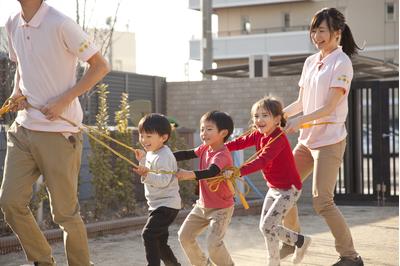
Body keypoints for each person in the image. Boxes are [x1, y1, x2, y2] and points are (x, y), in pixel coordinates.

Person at [0, 0, 110, 265]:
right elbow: (22, 68)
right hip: (23, 128)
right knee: (10, 202)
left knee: (64, 214)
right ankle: (43, 261)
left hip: (60, 133)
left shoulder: (61, 24)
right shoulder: (12, 23)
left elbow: (100, 66)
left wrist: (64, 99)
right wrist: (17, 92)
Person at [281, 7, 363, 266]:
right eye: (313, 30)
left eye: (322, 30)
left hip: (330, 141)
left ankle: (350, 257)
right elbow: (302, 102)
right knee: (284, 188)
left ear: (337, 33)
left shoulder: (342, 63)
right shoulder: (310, 62)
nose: (316, 35)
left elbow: (328, 106)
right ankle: (291, 239)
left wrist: (296, 122)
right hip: (307, 140)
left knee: (322, 201)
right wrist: (276, 118)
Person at [224, 97, 311, 266]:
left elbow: (262, 160)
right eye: (256, 116)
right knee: (266, 228)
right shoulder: (257, 134)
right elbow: (239, 142)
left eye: (265, 115)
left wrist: (237, 171)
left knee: (267, 226)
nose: (259, 120)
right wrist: (220, 148)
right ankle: (299, 243)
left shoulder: (278, 137)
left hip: (289, 189)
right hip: (274, 188)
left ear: (278, 119)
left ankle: (288, 251)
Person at [173, 111, 235, 266]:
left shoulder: (222, 154)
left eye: (209, 129)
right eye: (202, 129)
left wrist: (188, 175)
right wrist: (163, 154)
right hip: (202, 206)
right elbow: (186, 154)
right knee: (184, 236)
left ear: (223, 133)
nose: (203, 133)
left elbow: (211, 172)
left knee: (213, 244)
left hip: (221, 209)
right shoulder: (204, 149)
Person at [132, 113, 182, 266]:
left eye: (148, 136)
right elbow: (150, 168)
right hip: (158, 205)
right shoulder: (153, 153)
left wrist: (146, 174)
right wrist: (142, 159)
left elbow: (164, 180)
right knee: (160, 242)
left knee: (149, 234)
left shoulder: (164, 156)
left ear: (163, 137)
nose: (144, 140)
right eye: (142, 136)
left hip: (166, 205)